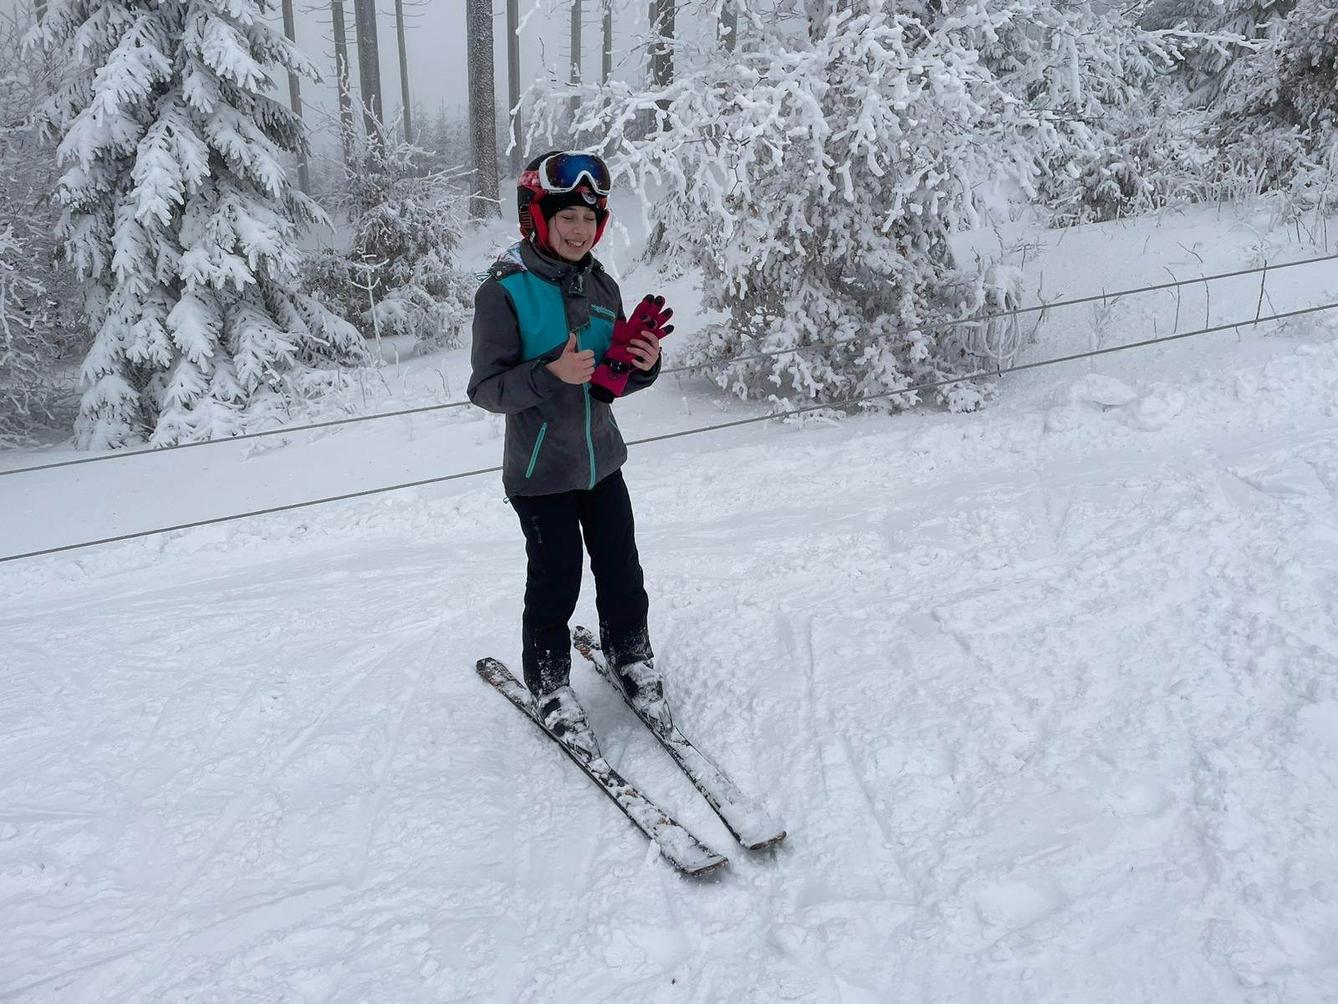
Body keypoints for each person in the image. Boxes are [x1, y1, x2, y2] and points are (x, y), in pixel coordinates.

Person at [468, 151, 675, 748]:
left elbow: (610, 381)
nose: (580, 230)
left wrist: (642, 366)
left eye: (589, 218)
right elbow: (485, 389)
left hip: (602, 460)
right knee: (556, 579)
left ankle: (630, 654)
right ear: (538, 217)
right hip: (538, 472)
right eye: (567, 218)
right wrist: (548, 373)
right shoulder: (504, 293)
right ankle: (550, 681)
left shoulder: (602, 283)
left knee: (621, 569)